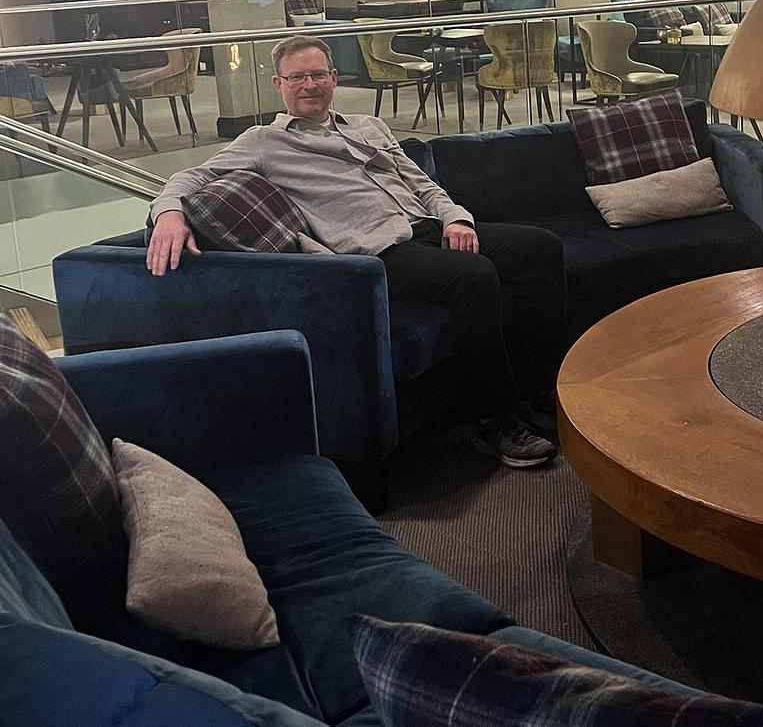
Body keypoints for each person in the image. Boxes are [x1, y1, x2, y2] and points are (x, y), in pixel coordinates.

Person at [147, 35, 567, 469]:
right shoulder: (262, 143)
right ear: (278, 84)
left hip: (427, 228)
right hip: (379, 253)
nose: (309, 85)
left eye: (317, 75)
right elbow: (189, 178)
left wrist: (455, 218)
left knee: (540, 246)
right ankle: (496, 420)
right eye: (297, 77)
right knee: (473, 275)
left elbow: (422, 183)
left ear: (333, 78)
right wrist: (170, 215)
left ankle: (543, 392)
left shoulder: (370, 126)